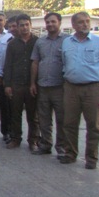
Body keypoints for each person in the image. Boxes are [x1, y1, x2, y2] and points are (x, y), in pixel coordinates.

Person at [60, 12, 99, 169]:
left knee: (93, 125)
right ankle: (70, 154)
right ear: (73, 25)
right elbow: (65, 64)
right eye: (80, 22)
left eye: (87, 21)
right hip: (71, 87)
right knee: (69, 123)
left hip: (92, 88)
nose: (85, 24)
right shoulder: (67, 43)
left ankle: (91, 158)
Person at [30, 12, 66, 156]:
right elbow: (35, 62)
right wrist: (33, 83)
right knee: (44, 119)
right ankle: (45, 145)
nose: (50, 24)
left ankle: (61, 147)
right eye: (48, 22)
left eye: (53, 21)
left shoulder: (67, 41)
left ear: (59, 22)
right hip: (43, 86)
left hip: (60, 87)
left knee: (62, 119)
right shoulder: (40, 42)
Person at [3, 14, 40, 150]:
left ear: (31, 25)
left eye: (26, 24)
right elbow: (8, 65)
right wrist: (7, 85)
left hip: (32, 84)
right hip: (16, 84)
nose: (24, 27)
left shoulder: (37, 42)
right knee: (15, 114)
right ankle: (15, 139)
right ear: (17, 27)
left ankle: (33, 140)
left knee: (33, 115)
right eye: (21, 25)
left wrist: (35, 83)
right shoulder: (12, 44)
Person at [0, 12, 14, 142]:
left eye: (0, 20)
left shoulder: (10, 37)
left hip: (4, 74)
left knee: (6, 105)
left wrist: (0, 75)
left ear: (4, 22)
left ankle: (7, 131)